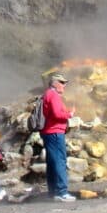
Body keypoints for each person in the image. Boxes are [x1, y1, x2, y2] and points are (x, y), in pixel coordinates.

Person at [38, 73, 76, 202]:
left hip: (49, 132)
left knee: (53, 161)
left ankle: (53, 192)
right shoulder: (53, 95)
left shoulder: (48, 94)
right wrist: (69, 114)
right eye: (62, 82)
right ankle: (62, 192)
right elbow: (56, 114)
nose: (64, 85)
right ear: (54, 83)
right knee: (60, 160)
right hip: (54, 132)